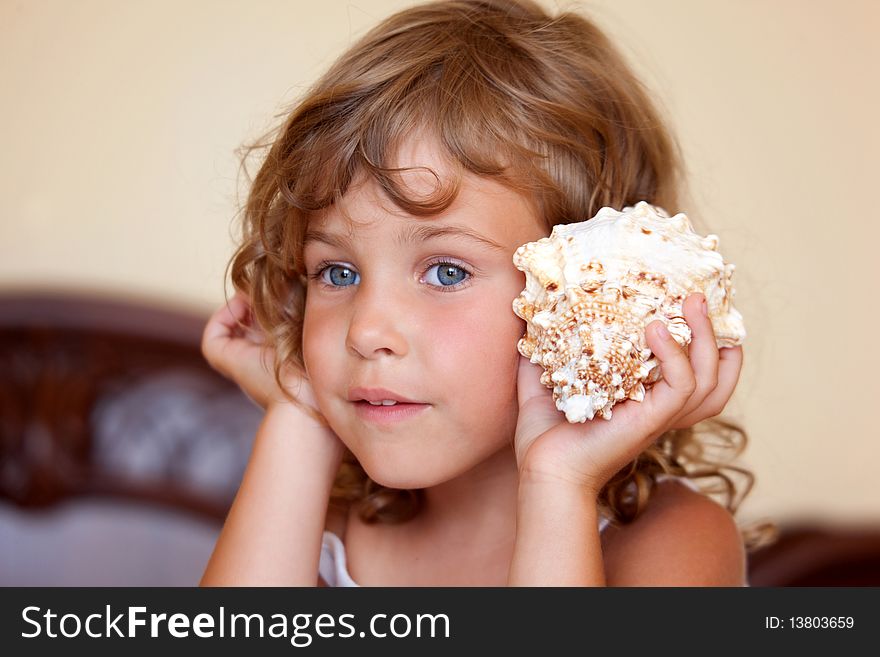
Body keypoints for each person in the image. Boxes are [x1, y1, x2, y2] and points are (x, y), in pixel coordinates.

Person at [199, 0, 759, 587]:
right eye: (337, 274)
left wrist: (557, 484)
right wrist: (300, 410)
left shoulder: (671, 540)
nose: (365, 332)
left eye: (446, 272)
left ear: (588, 291)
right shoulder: (313, 525)